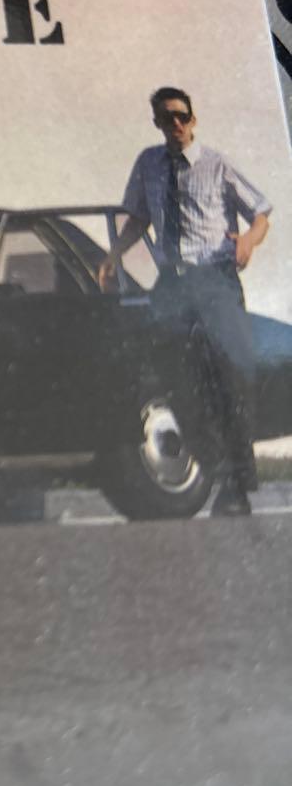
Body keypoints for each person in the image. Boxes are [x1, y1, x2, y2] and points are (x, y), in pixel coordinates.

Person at [98, 87, 273, 516]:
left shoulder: (216, 165)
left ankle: (237, 484)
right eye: (166, 118)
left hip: (215, 280)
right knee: (172, 380)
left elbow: (261, 212)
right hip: (172, 286)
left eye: (181, 116)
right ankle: (211, 469)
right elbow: (139, 217)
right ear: (157, 123)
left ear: (193, 120)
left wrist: (248, 241)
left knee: (231, 375)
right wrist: (114, 255)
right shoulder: (148, 163)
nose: (175, 124)